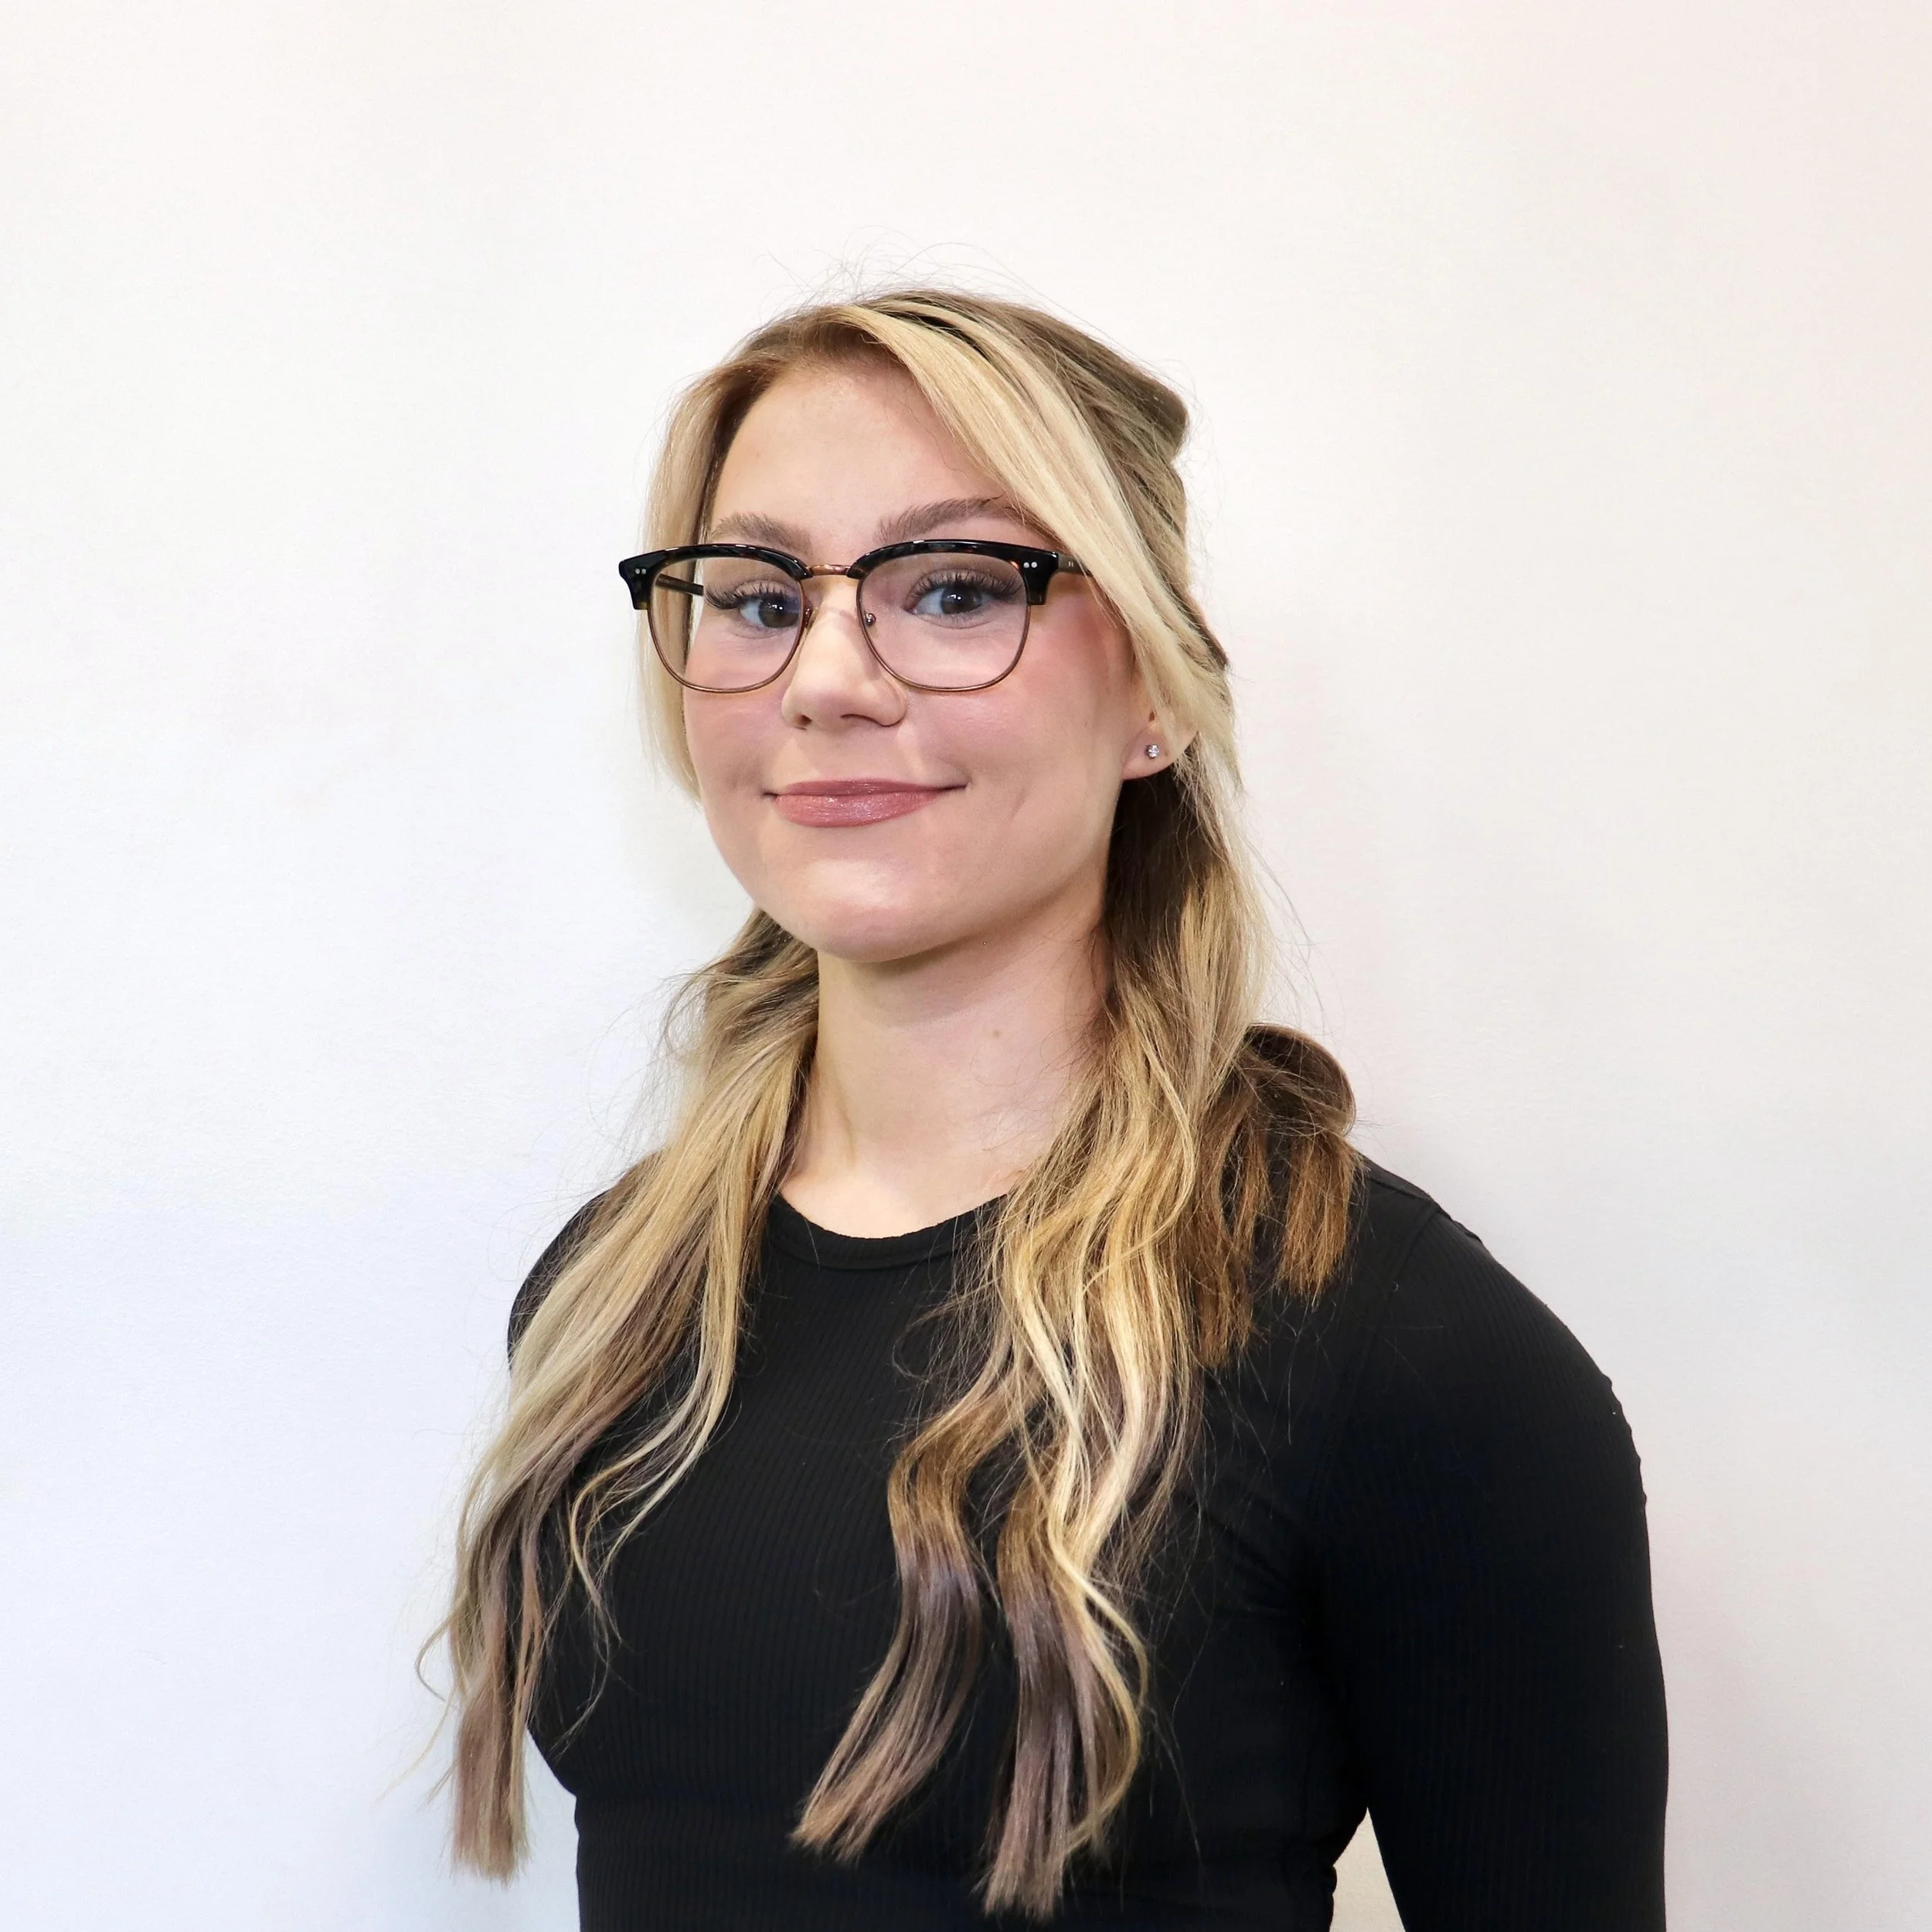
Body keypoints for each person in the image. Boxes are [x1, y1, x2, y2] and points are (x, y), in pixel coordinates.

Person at [435, 290, 1668, 1930]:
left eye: (953, 589)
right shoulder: (616, 1296)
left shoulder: (1394, 1353)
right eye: (754, 598)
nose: (825, 678)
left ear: (1152, 686)